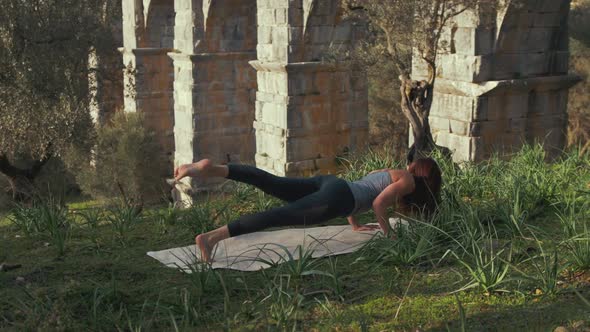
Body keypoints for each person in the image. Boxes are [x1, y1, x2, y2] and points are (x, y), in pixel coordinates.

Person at [174, 158, 442, 262]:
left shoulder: (393, 172)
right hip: (336, 197)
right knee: (276, 216)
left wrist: (354, 225)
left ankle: (211, 168)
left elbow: (361, 190)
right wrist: (389, 235)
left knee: (271, 182)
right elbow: (377, 203)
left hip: (332, 184)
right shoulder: (408, 182)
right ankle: (209, 239)